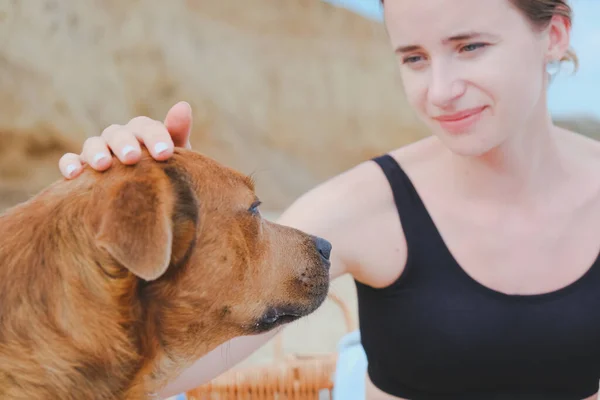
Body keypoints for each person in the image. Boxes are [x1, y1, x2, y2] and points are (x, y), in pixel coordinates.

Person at [58, 0, 600, 399]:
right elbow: (145, 380)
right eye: (414, 58)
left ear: (554, 34)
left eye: (470, 46)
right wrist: (186, 224)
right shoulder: (364, 209)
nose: (439, 91)